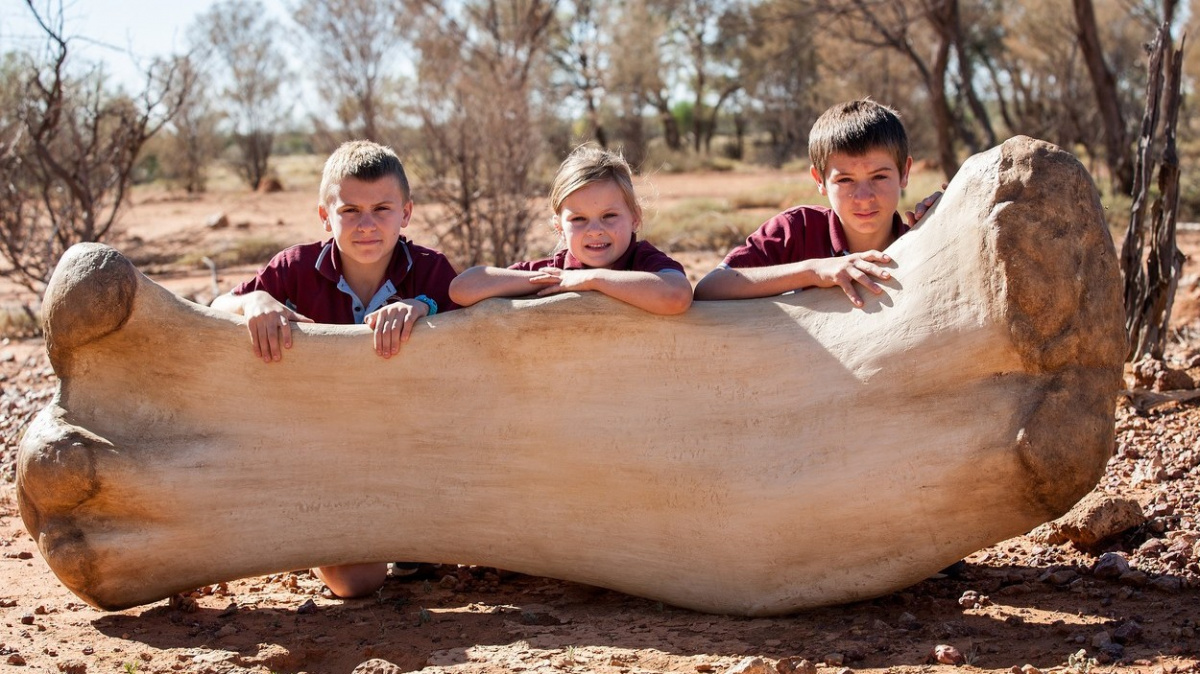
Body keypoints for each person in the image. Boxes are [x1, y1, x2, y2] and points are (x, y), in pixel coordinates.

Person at [211, 139, 458, 598]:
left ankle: (407, 532)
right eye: (350, 211)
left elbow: (471, 318)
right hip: (321, 448)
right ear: (325, 216)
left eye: (382, 209)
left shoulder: (430, 270)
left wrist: (424, 305)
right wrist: (254, 301)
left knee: (441, 537)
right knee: (357, 583)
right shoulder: (295, 268)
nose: (367, 225)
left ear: (406, 213)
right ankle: (316, 526)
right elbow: (217, 306)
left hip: (410, 445)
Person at [693, 98, 939, 307]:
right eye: (845, 180)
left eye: (879, 177)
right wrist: (812, 271)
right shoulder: (796, 230)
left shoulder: (920, 240)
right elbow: (709, 288)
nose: (864, 197)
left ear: (904, 172)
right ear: (819, 180)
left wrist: (945, 219)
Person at [449, 145, 693, 316]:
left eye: (609, 216)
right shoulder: (554, 271)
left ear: (635, 218)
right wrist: (556, 280)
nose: (595, 230)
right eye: (579, 219)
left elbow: (676, 296)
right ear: (559, 227)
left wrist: (591, 279)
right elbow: (462, 289)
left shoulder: (645, 262)